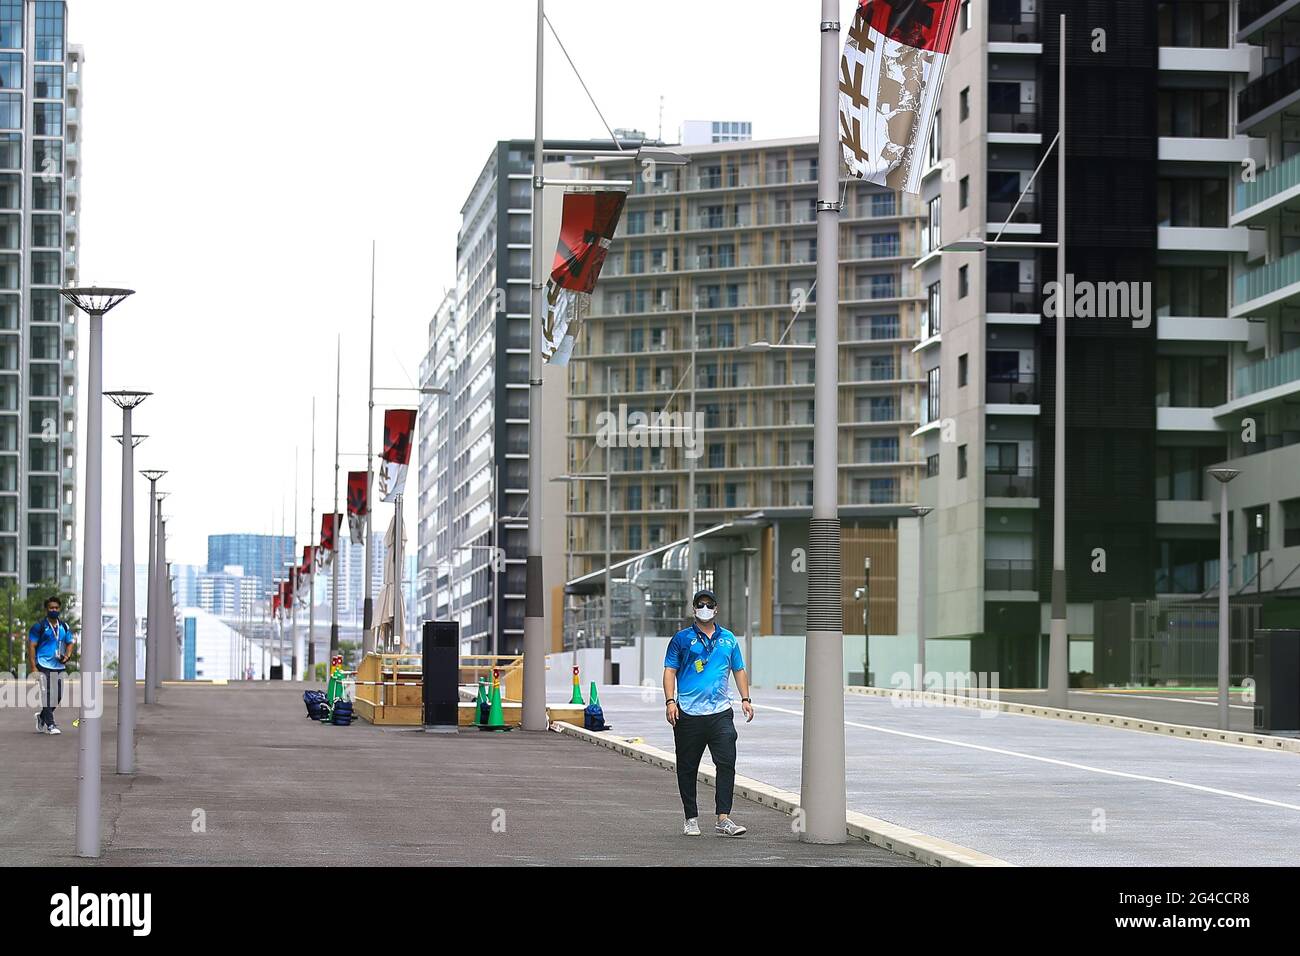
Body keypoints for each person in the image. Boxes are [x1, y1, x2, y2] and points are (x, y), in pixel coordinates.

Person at [663, 587, 754, 837]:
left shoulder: (728, 639)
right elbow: (670, 671)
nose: (704, 608)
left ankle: (723, 818)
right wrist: (670, 701)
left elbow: (739, 669)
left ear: (716, 608)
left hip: (720, 713)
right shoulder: (681, 639)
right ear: (694, 609)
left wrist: (745, 699)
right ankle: (690, 818)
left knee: (726, 763)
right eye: (700, 604)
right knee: (687, 767)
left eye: (708, 604)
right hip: (689, 714)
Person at [29, 595, 74, 736]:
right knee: (47, 694)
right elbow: (31, 646)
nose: (54, 610)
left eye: (56, 608)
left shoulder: (64, 626)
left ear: (59, 609)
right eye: (51, 608)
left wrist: (67, 656)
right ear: (46, 609)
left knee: (58, 696)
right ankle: (50, 724)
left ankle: (42, 716)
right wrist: (34, 667)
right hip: (43, 664)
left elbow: (70, 642)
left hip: (59, 665)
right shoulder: (39, 627)